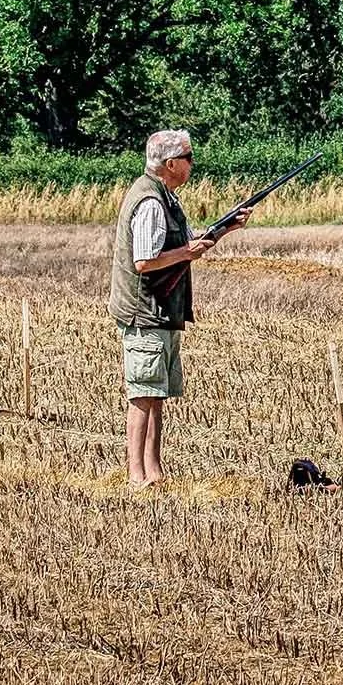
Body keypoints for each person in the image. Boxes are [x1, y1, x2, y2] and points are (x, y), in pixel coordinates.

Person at [107, 129, 245, 488]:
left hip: (159, 312)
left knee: (156, 394)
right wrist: (187, 252)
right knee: (142, 394)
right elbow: (144, 262)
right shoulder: (151, 202)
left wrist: (224, 229)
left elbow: (181, 245)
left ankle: (154, 470)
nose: (191, 163)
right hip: (145, 311)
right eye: (188, 157)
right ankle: (137, 475)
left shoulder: (164, 196)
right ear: (170, 164)